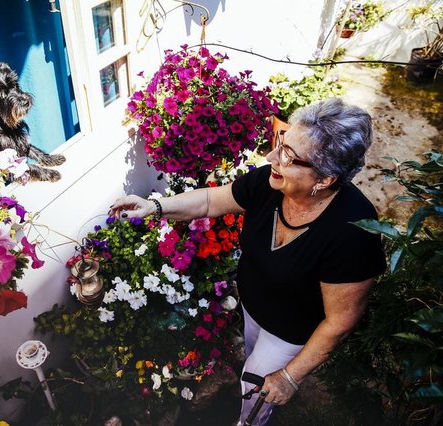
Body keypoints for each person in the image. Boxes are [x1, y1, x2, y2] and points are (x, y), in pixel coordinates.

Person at [109, 98, 386, 425]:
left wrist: (290, 376)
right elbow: (213, 199)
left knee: (254, 386)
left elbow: (340, 322)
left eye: (287, 156)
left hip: (291, 331)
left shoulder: (354, 232)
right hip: (253, 308)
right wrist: (155, 207)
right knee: (252, 360)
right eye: (280, 142)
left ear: (325, 179)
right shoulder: (270, 183)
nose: (271, 157)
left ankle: (249, 421)